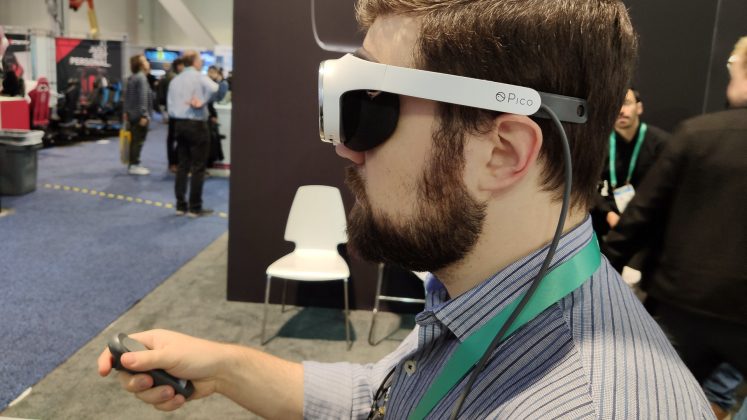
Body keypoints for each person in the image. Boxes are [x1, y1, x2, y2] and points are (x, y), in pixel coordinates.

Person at [98, 1, 713, 418]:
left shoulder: (579, 403)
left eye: (372, 107)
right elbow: (388, 396)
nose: (345, 147)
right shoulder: (493, 293)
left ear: (502, 152)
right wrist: (228, 367)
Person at [603, 36, 747, 419]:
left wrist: (602, 272)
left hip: (681, 304)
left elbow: (641, 215)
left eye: (732, 67)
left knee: (651, 400)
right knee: (716, 400)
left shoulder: (696, 135)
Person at [591, 88, 670, 235]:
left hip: (645, 222)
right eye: (615, 105)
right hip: (604, 221)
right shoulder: (597, 144)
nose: (621, 110)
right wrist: (608, 213)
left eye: (626, 103)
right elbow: (586, 184)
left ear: (639, 108)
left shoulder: (661, 143)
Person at [166, 50, 218, 218]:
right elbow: (215, 88)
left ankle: (180, 206)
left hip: (179, 125)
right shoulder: (199, 76)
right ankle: (195, 207)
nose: (201, 62)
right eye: (200, 59)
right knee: (198, 167)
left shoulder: (175, 80)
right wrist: (202, 102)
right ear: (194, 62)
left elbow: (170, 107)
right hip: (196, 125)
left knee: (182, 165)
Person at [123, 54, 154, 176]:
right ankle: (134, 165)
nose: (148, 62)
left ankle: (134, 163)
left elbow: (127, 98)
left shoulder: (132, 77)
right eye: (145, 60)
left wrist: (127, 112)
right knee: (138, 141)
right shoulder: (141, 78)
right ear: (141, 65)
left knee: (134, 140)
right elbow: (143, 97)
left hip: (132, 114)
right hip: (139, 116)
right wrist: (144, 115)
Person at [158, 57, 185, 173]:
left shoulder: (171, 77)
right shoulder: (174, 78)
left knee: (172, 139)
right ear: (179, 66)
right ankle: (173, 163)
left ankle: (173, 163)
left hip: (173, 112)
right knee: (176, 138)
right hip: (175, 113)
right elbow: (165, 97)